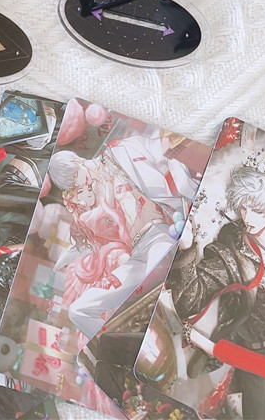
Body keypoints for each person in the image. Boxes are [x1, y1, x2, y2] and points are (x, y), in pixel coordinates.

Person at [49, 132, 197, 339]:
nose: (79, 186)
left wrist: (188, 194)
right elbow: (95, 244)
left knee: (157, 280)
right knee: (78, 311)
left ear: (78, 161)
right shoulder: (89, 200)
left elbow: (168, 152)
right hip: (136, 256)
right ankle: (118, 348)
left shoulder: (120, 152)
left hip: (160, 235)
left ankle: (173, 332)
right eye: (73, 186)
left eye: (76, 177)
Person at [166, 166, 265, 419]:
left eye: (257, 209)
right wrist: (186, 251)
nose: (248, 217)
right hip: (254, 351)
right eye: (244, 208)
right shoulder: (233, 254)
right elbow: (189, 299)